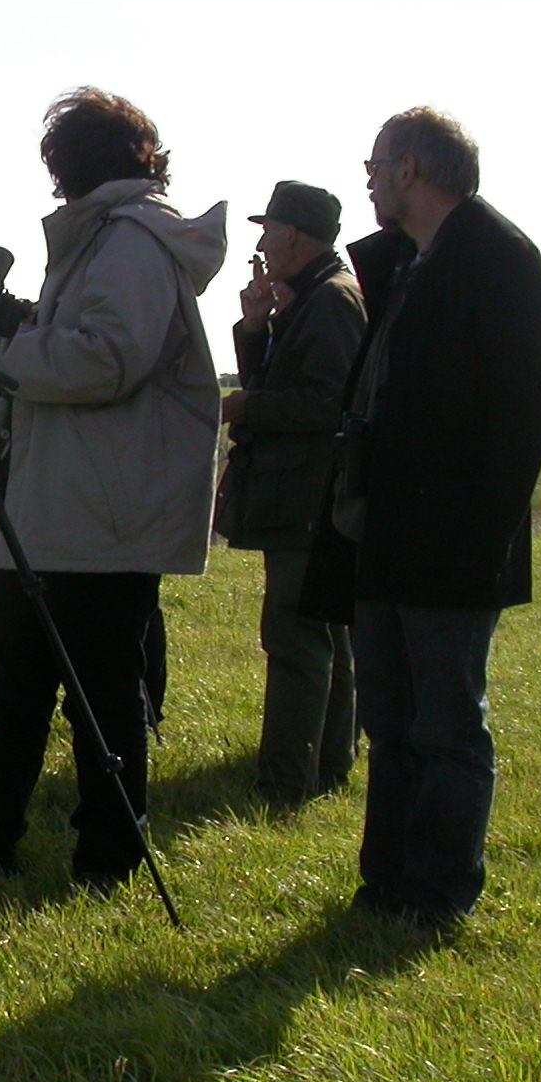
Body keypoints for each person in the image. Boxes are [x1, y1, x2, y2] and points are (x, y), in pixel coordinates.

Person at [0, 88, 226, 892]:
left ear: (69, 167)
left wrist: (7, 352)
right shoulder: (107, 236)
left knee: (98, 699)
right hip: (60, 507)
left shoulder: (131, 240)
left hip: (99, 517)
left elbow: (104, 359)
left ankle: (107, 863)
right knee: (21, 685)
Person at [302, 107, 541, 927]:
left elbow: (523, 420)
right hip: (386, 535)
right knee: (390, 724)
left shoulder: (500, 261)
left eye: (376, 166)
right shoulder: (408, 264)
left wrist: (479, 547)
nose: (370, 181)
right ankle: (386, 889)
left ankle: (438, 897)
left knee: (447, 727)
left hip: (451, 545)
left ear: (410, 169)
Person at [214, 180, 365, 807]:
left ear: (295, 235)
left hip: (309, 496)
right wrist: (255, 328)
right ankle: (326, 768)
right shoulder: (317, 295)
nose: (263, 244)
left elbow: (329, 404)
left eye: (270, 230)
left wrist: (247, 406)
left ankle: (285, 783)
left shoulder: (330, 302)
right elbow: (289, 381)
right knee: (325, 634)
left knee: (297, 637)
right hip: (310, 497)